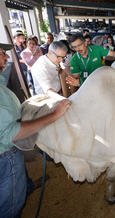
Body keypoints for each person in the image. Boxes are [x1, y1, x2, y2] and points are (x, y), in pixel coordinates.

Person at [0, 42, 71, 218]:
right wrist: (58, 110)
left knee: (20, 172)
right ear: (51, 53)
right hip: (5, 153)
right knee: (11, 206)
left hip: (11, 150)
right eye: (2, 53)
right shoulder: (40, 66)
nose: (7, 57)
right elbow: (10, 133)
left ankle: (28, 186)